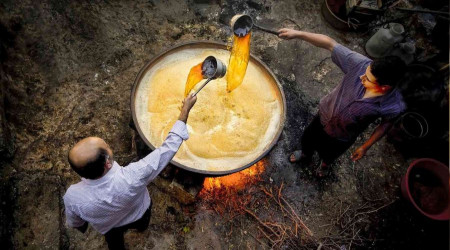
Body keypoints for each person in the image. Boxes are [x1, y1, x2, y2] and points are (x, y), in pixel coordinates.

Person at [63, 94, 197, 249]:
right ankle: (141, 228)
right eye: (106, 146)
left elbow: (75, 222)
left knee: (114, 243)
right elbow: (168, 149)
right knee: (142, 224)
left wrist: (82, 225)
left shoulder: (72, 197)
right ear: (107, 163)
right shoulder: (134, 175)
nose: (108, 145)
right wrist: (185, 110)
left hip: (110, 228)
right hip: (139, 214)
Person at [278, 28, 406, 177]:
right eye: (365, 72)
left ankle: (324, 166)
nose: (361, 77)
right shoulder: (361, 64)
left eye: (368, 79)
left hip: (342, 136)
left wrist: (365, 147)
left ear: (384, 87)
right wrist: (299, 34)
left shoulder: (393, 106)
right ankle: (305, 154)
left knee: (330, 154)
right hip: (322, 118)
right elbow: (330, 43)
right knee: (308, 139)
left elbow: (385, 125)